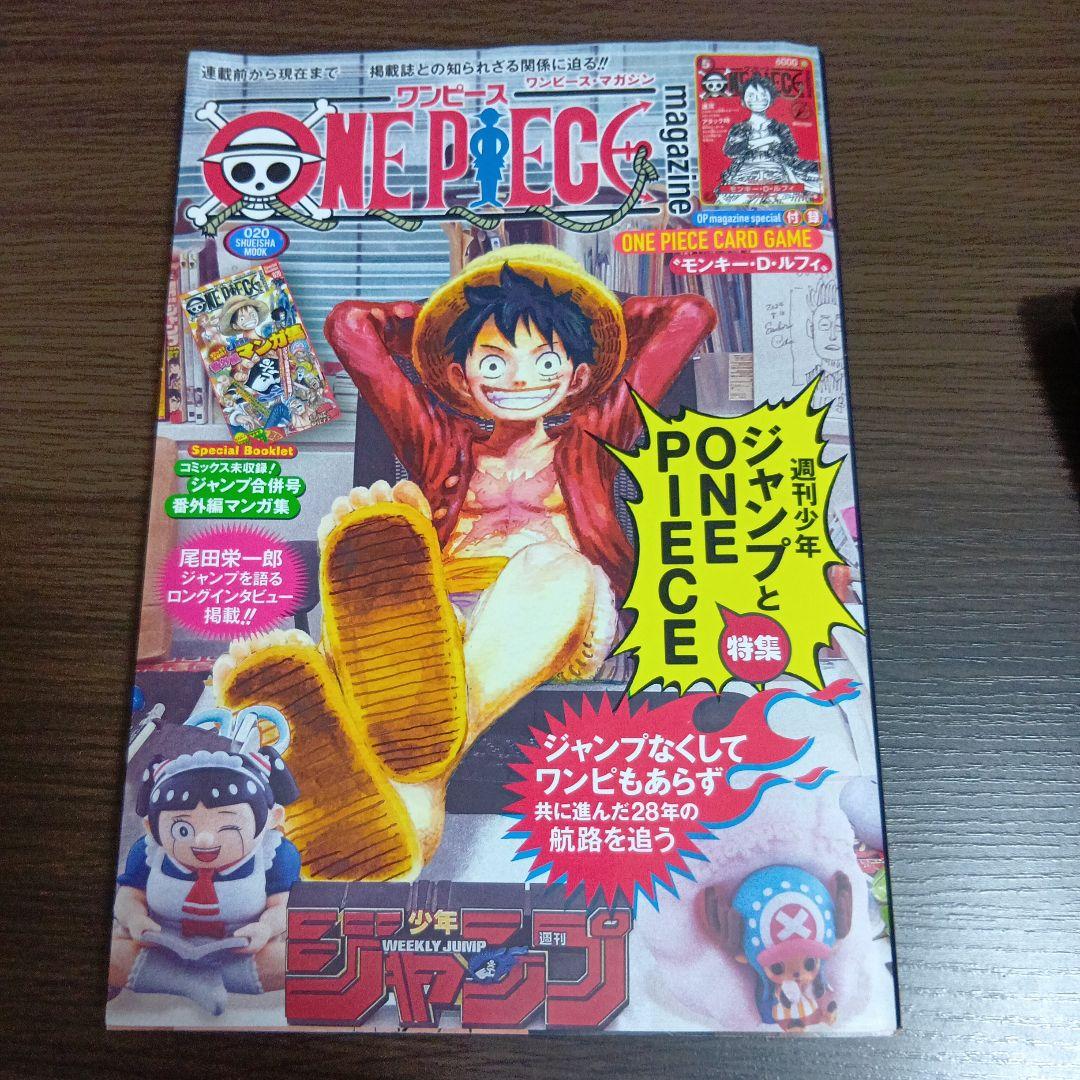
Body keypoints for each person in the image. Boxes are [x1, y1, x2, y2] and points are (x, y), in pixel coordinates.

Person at [211, 245, 716, 874]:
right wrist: (443, 321)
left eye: (546, 360)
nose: (520, 379)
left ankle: (415, 771)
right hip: (434, 621)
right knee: (382, 620)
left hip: (556, 615)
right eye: (494, 361)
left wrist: (573, 306)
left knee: (549, 567)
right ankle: (406, 802)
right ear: (459, 376)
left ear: (578, 376)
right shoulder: (438, 440)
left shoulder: (596, 432)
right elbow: (350, 325)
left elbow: (689, 314)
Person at [108, 714, 301, 1015]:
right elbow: (129, 896)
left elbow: (283, 906)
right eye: (183, 829)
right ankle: (185, 981)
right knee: (111, 953)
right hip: (162, 945)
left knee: (295, 959)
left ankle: (181, 979)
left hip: (241, 949)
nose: (205, 840)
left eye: (228, 827)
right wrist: (135, 920)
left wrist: (265, 928)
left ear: (271, 820)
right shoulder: (148, 852)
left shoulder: (275, 853)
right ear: (151, 827)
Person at [716, 75, 821, 197]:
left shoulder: (780, 127)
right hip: (745, 169)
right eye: (751, 96)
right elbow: (729, 150)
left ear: (771, 98)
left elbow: (792, 150)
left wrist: (775, 142)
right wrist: (770, 140)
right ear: (743, 100)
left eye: (763, 95)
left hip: (776, 167)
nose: (757, 99)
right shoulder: (739, 127)